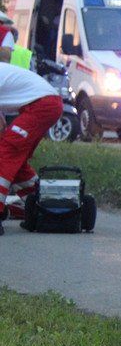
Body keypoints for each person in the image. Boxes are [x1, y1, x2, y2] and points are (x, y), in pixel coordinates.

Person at [0, 61, 62, 235]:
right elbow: (2, 124)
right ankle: (46, 210)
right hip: (45, 104)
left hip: (42, 105)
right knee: (16, 161)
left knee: (5, 152)